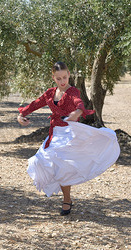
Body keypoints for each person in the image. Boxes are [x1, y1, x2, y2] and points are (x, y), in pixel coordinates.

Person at [17, 61, 120, 216]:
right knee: (40, 161)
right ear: (53, 78)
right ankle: (64, 196)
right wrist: (21, 115)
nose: (62, 81)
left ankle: (67, 200)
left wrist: (78, 112)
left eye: (64, 77)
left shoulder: (73, 92)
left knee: (62, 167)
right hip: (54, 133)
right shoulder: (50, 93)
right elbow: (35, 104)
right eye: (59, 78)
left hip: (69, 134)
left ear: (69, 75)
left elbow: (79, 103)